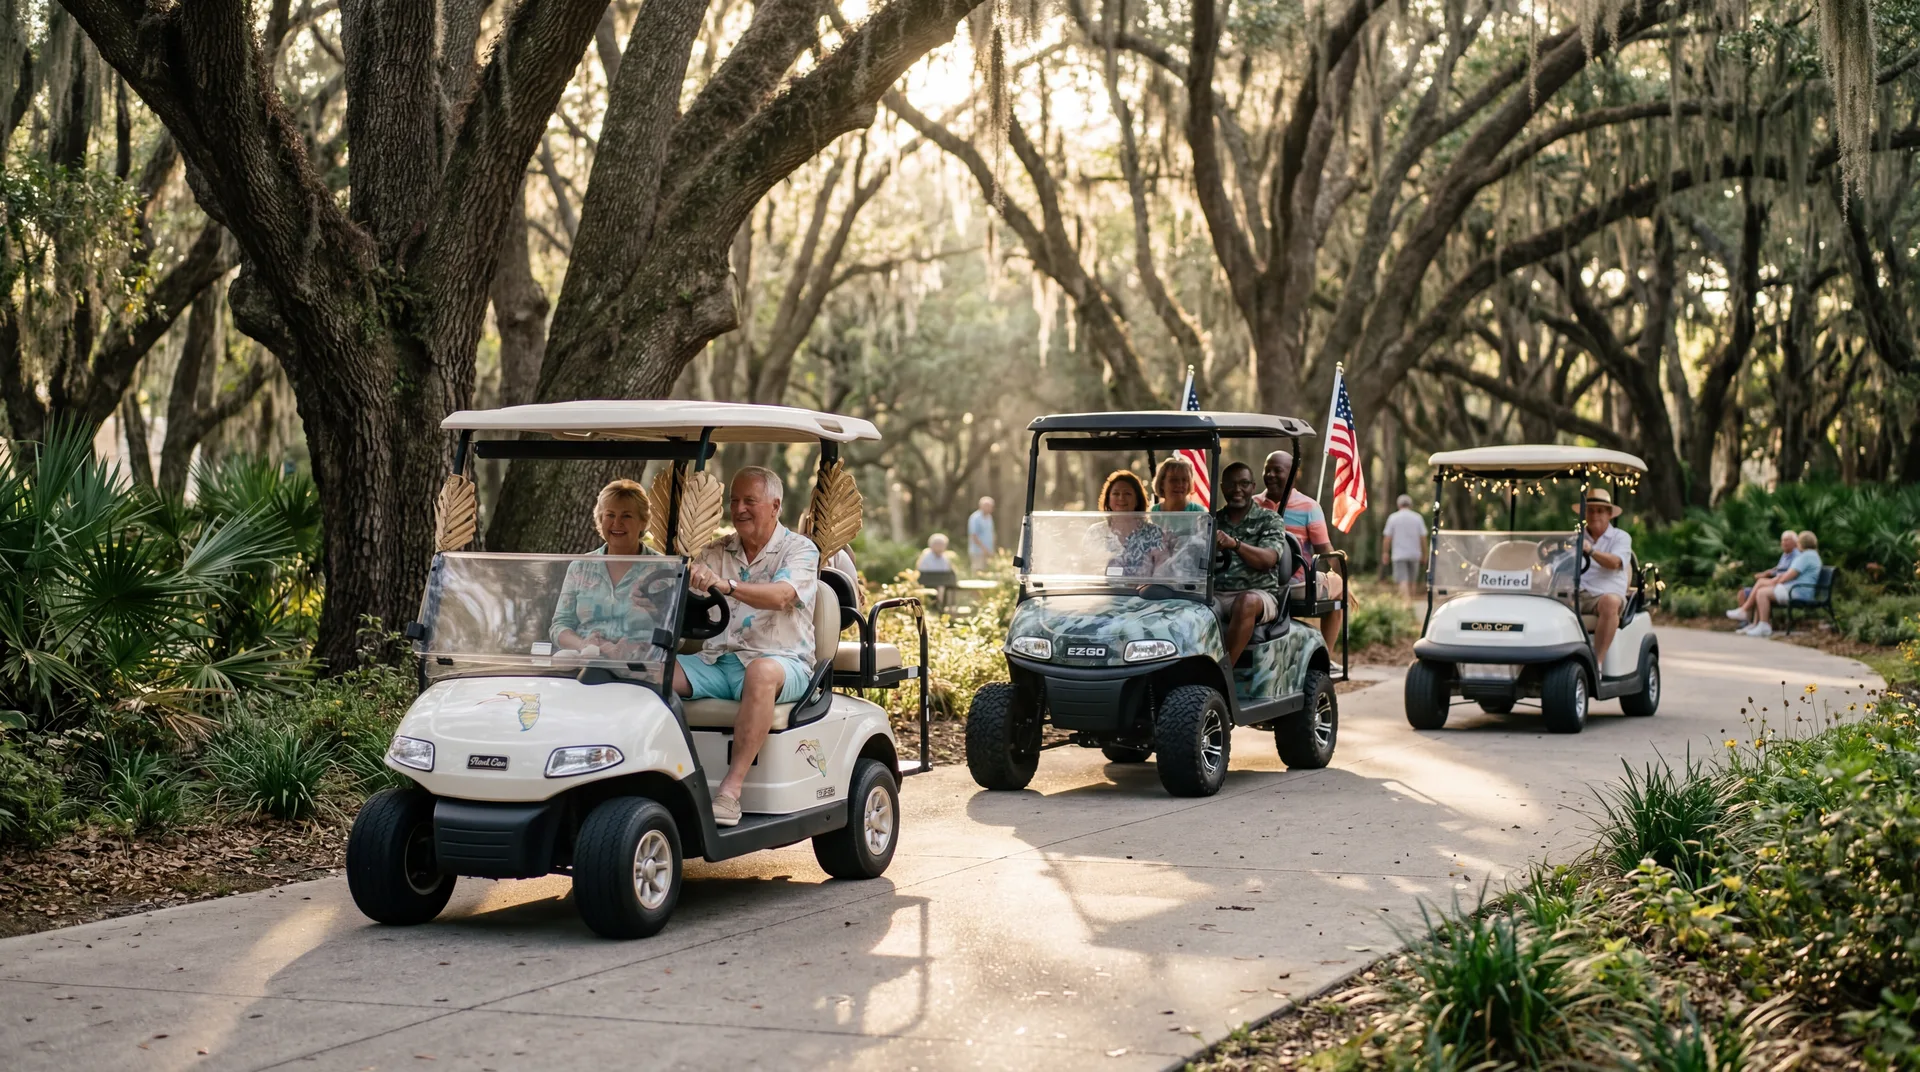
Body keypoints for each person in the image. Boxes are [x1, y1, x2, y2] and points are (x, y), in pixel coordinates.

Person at [678, 467, 821, 827]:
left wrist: (726, 586)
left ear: (775, 506)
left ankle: (729, 792)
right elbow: (686, 597)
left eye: (749, 501)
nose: (739, 508)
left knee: (760, 672)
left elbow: (782, 596)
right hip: (716, 661)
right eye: (734, 500)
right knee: (653, 669)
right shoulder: (716, 550)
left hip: (782, 663)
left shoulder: (800, 550)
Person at [551, 480, 669, 659]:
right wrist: (584, 645)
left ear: (643, 521)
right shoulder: (579, 567)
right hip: (586, 662)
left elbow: (674, 630)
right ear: (600, 519)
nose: (617, 523)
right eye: (610, 515)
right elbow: (560, 625)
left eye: (627, 516)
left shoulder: (664, 569)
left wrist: (653, 617)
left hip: (639, 667)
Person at [1255, 450, 1345, 648]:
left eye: (1277, 470)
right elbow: (1326, 550)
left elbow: (1324, 550)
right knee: (1339, 587)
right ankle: (1327, 654)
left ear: (1294, 475)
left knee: (1338, 582)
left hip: (1270, 585)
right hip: (1288, 587)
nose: (1270, 475)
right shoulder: (1307, 507)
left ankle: (1326, 655)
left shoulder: (1253, 504)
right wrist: (1341, 578)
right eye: (1267, 470)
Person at [1212, 462, 1286, 666]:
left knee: (1246, 602)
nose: (1237, 490)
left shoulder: (1269, 519)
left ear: (1253, 487)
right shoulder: (1212, 521)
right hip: (1216, 593)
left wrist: (1234, 544)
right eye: (1231, 484)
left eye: (1244, 484)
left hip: (1259, 595)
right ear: (1222, 487)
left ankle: (1223, 671)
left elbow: (1268, 560)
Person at [1575, 488, 1632, 669]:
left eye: (1600, 511)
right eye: (1590, 510)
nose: (1594, 515)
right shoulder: (1576, 537)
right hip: (1576, 592)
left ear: (1609, 514)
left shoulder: (1620, 537)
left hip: (1603, 594)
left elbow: (1615, 562)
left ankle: (1596, 662)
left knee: (1610, 602)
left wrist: (1591, 551)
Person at [1737, 531, 1821, 639]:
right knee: (1762, 588)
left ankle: (1763, 625)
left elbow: (1789, 575)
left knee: (1762, 593)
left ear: (1801, 543)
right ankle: (1757, 624)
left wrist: (1776, 582)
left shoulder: (1805, 557)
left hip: (1797, 592)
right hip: (1801, 590)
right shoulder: (1812, 555)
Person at [1088, 470, 1167, 577]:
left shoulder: (1153, 533)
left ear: (1137, 500)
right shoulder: (1095, 532)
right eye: (1116, 493)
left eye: (1127, 493)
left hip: (1141, 593)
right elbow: (1085, 568)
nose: (1121, 498)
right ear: (1108, 500)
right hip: (1103, 592)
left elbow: (1163, 571)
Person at [1726, 530, 1800, 625]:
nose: (1783, 543)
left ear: (1795, 542)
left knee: (1760, 586)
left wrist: (1769, 577)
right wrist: (1766, 573)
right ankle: (1746, 622)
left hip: (1783, 586)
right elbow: (1778, 568)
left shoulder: (1796, 556)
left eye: (1787, 540)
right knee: (1743, 592)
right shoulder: (1785, 554)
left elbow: (1789, 573)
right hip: (1777, 584)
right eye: (1782, 540)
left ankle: (1746, 613)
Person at [1380, 494, 1428, 600]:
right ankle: (1411, 601)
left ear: (1398, 505)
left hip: (1399, 554)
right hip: (1415, 553)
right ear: (1410, 505)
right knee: (1412, 580)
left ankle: (1406, 603)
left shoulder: (1393, 518)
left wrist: (1385, 553)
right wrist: (1425, 554)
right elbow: (1423, 537)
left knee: (1402, 579)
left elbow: (1387, 538)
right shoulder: (1417, 518)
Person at [966, 496, 996, 574]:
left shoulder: (989, 517)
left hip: (988, 550)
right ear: (981, 506)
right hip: (978, 551)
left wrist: (991, 549)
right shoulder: (975, 518)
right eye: (988, 506)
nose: (990, 508)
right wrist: (984, 549)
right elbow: (973, 536)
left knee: (986, 572)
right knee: (978, 571)